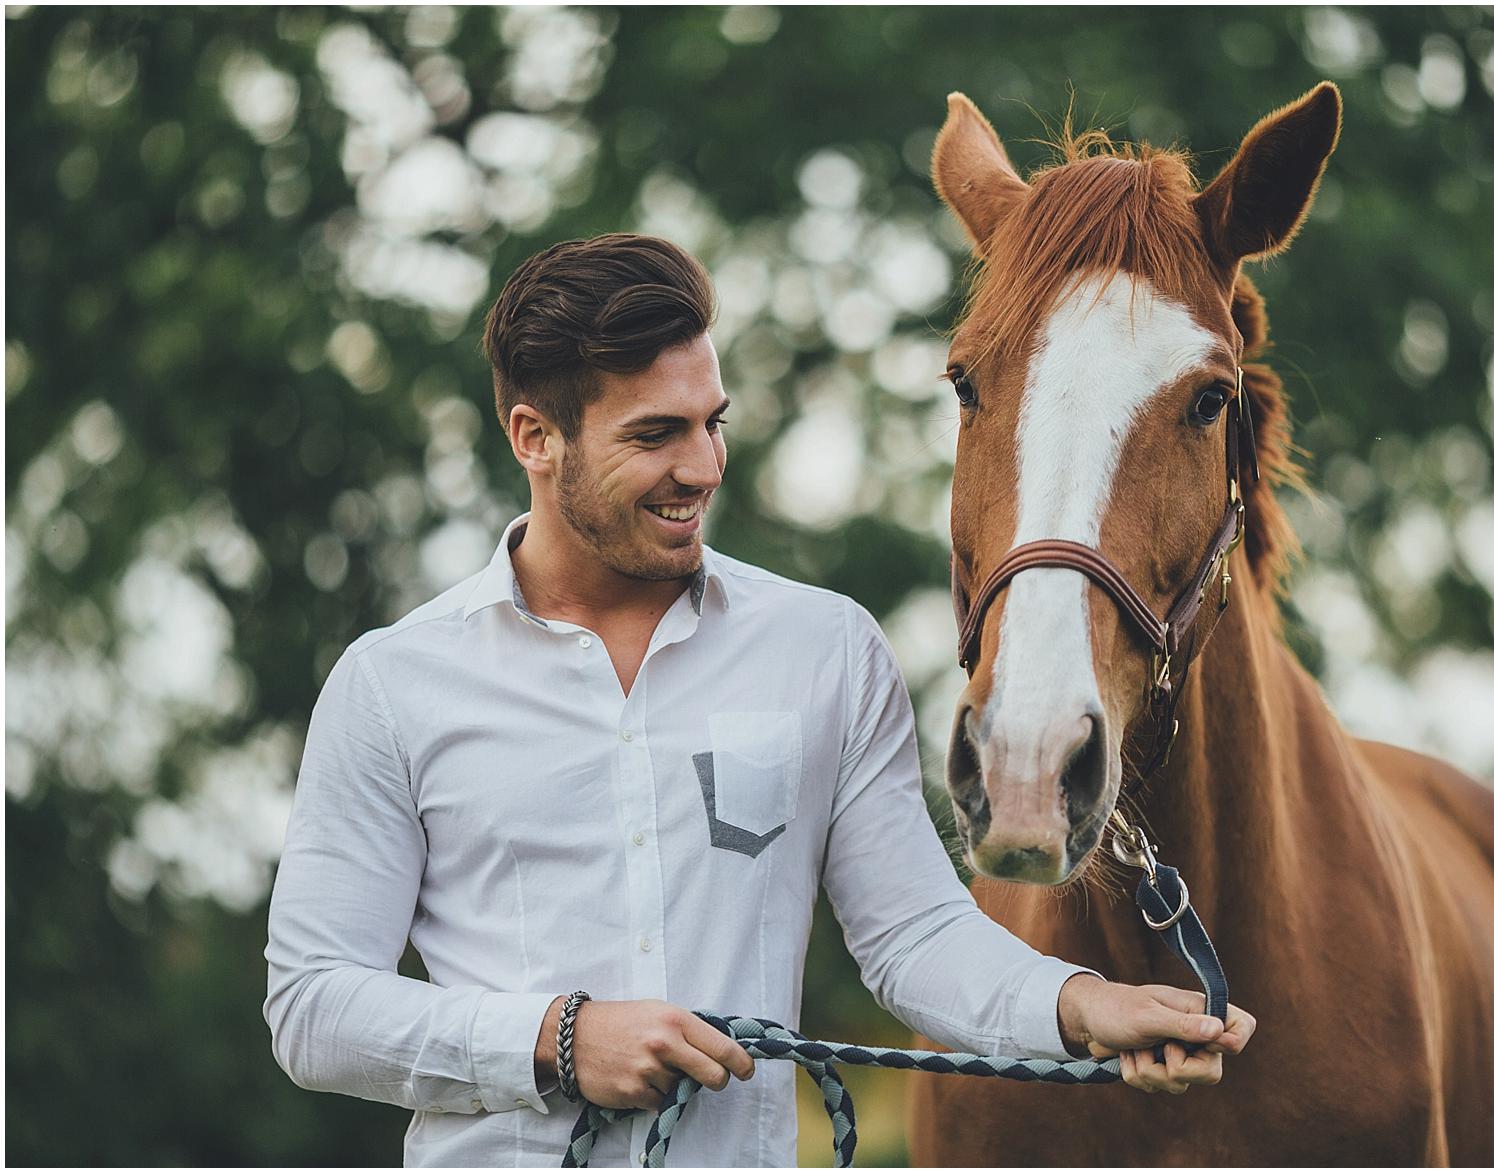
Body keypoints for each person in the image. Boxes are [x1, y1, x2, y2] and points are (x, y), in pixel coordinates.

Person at [263, 233, 1255, 1167]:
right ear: (535, 438)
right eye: (656, 435)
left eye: (712, 423)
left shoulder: (825, 652)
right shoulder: (394, 684)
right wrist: (556, 1040)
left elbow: (912, 939)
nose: (701, 468)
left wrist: (1081, 1007)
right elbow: (312, 1009)